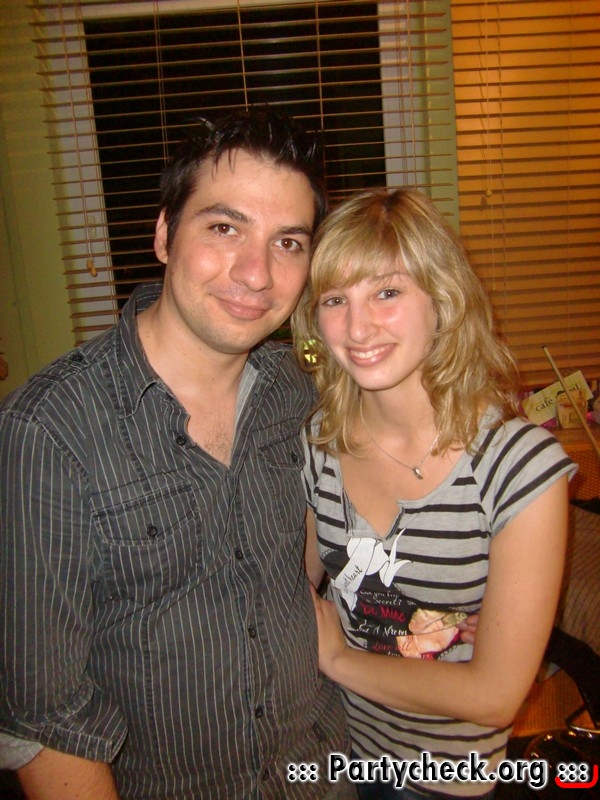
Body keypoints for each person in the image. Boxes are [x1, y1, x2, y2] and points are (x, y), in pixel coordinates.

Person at [0, 107, 352, 800]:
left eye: (287, 242)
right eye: (224, 228)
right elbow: (44, 723)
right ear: (164, 234)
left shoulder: (301, 393)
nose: (256, 273)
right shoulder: (48, 433)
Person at [292, 187, 576, 799]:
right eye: (335, 299)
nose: (357, 327)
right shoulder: (320, 441)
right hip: (332, 751)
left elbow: (495, 698)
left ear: (442, 301)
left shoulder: (516, 467)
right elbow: (293, 587)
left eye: (387, 292)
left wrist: (339, 658)